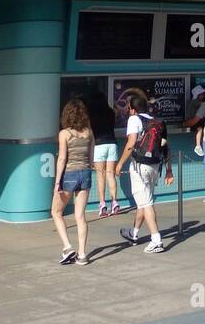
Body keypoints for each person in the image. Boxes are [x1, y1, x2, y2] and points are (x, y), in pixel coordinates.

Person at [116, 100, 175, 253]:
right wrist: (169, 170)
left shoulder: (134, 119)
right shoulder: (158, 122)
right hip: (155, 166)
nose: (129, 111)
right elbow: (166, 147)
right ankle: (134, 234)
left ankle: (156, 240)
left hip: (139, 166)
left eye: (129, 108)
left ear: (134, 109)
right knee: (144, 200)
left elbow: (131, 143)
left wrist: (120, 163)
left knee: (146, 203)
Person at [50, 98, 95, 265]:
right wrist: (88, 166)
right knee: (80, 216)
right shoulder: (88, 132)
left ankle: (68, 247)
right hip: (86, 173)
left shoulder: (64, 134)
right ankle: (82, 255)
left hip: (69, 174)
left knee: (56, 212)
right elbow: (91, 155)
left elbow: (62, 159)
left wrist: (57, 183)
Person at [88, 89, 121, 217]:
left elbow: (91, 134)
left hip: (98, 145)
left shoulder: (91, 114)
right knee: (110, 175)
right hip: (112, 143)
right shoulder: (110, 112)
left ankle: (102, 204)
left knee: (100, 176)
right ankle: (114, 202)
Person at [184, 84, 205, 158]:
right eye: (201, 94)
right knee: (200, 129)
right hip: (191, 120)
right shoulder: (195, 102)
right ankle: (198, 146)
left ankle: (201, 145)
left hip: (197, 121)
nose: (203, 96)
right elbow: (204, 104)